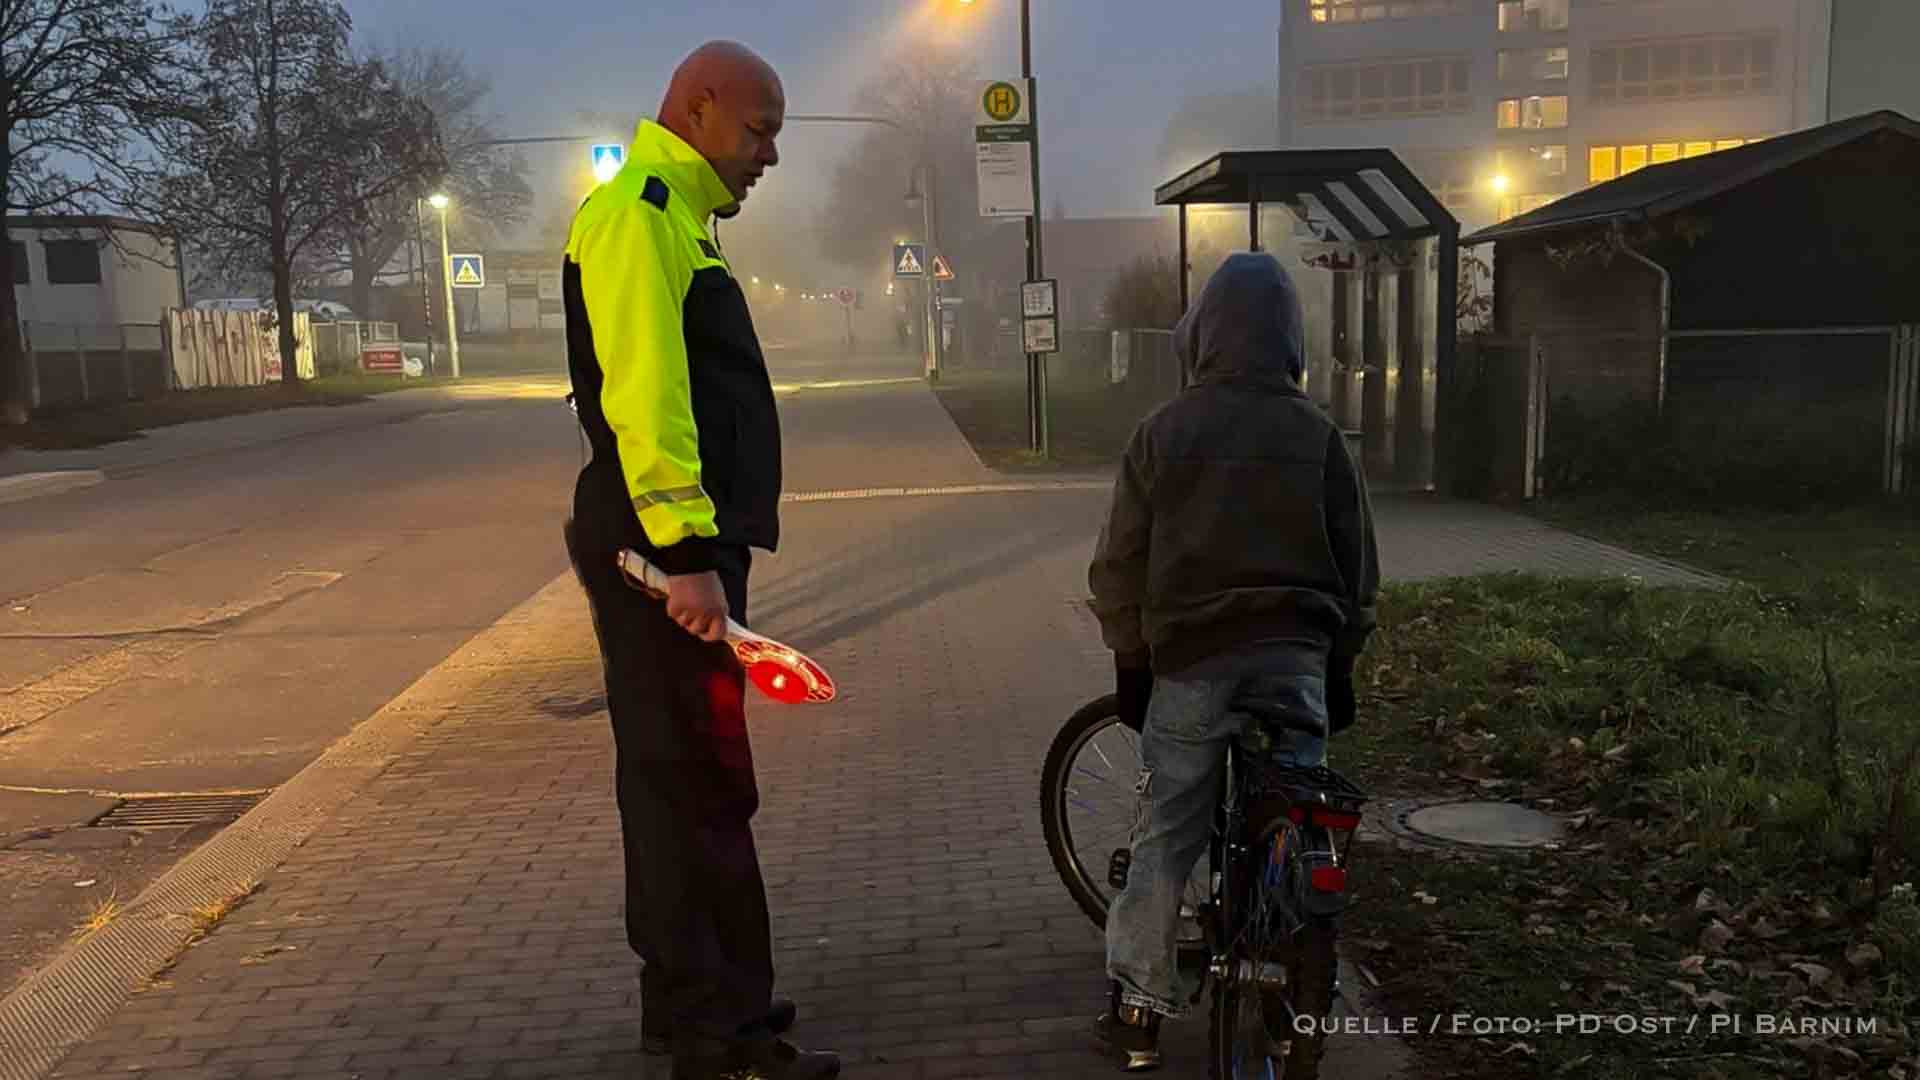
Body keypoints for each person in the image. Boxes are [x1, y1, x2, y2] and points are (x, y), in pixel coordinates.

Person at [560, 40, 839, 1080]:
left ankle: (691, 1010)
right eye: (761, 128)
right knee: (701, 786)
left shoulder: (674, 218)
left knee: (678, 784)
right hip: (661, 553)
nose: (769, 153)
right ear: (699, 105)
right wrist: (684, 556)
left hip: (665, 547)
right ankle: (725, 1039)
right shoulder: (640, 216)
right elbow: (647, 400)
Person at [1085, 251, 1380, 1071]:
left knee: (1169, 831)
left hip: (1194, 660)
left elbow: (1119, 565)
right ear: (1291, 336)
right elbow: (1359, 567)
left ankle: (1139, 1012)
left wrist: (1130, 660)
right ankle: (1292, 997)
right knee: (1297, 806)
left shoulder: (1165, 431)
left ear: (1203, 335)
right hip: (1298, 661)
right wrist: (1342, 662)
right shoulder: (1318, 433)